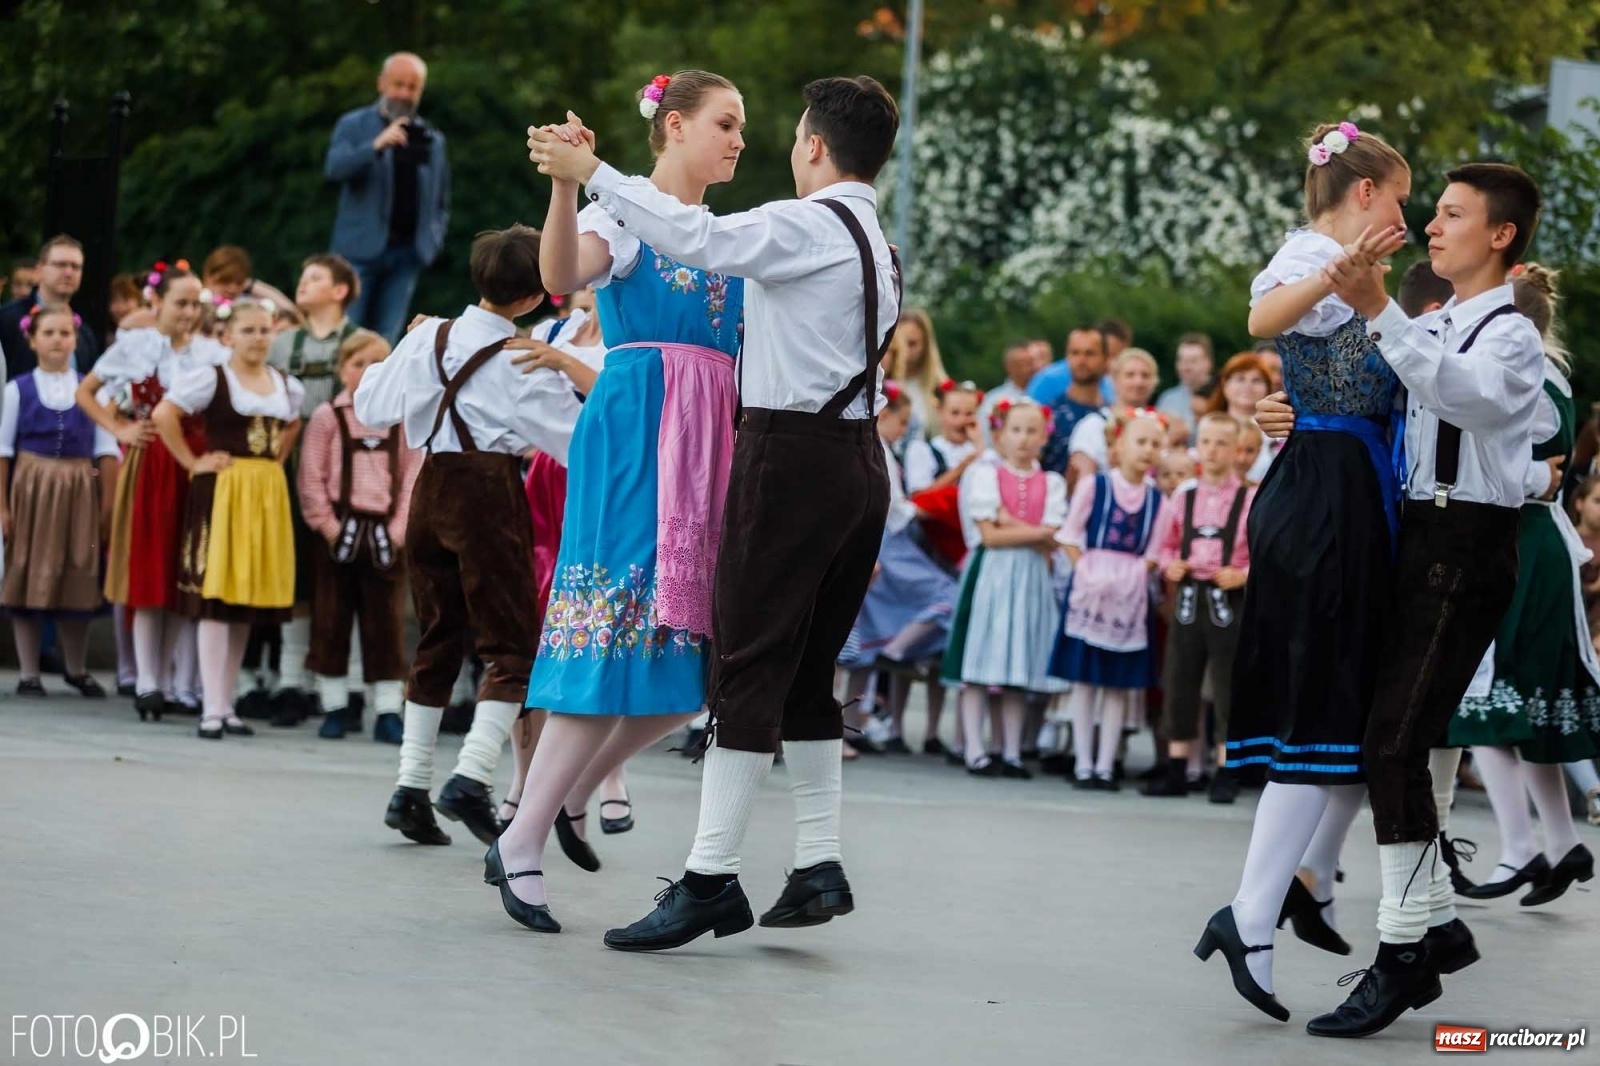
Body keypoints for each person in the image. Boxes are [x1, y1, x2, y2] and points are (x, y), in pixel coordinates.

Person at [525, 73, 902, 950]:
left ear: (814, 146)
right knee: (807, 670)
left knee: (748, 664)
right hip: (857, 459)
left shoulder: (805, 222)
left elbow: (697, 237)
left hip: (788, 457)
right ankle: (816, 861)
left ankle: (709, 879)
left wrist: (595, 169)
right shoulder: (875, 238)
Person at [486, 72, 747, 935]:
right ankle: (525, 834)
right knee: (610, 636)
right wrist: (567, 182)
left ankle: (554, 798)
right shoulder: (624, 214)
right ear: (673, 127)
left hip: (710, 439)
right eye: (726, 123)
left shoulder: (730, 233)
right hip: (641, 422)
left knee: (684, 676)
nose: (740, 139)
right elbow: (562, 272)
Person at [1302, 163, 1546, 1038]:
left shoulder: (1509, 332)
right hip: (1420, 536)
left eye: (1451, 215)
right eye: (1434, 213)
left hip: (1468, 543)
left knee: (1395, 745)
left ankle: (1405, 949)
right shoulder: (1436, 318)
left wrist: (1380, 312)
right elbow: (1385, 399)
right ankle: (1432, 921)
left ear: (1502, 235)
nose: (1431, 228)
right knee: (1401, 738)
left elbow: (1468, 398)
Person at [1195, 122, 1412, 1025]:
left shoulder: (1358, 274)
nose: (1409, 213)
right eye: (1401, 195)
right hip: (1325, 500)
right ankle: (1255, 909)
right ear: (1364, 192)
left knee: (1358, 714)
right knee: (1323, 712)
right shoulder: (1313, 256)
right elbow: (1261, 321)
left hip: (1349, 490)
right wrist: (1341, 276)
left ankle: (1307, 880)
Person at [355, 224, 581, 848]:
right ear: (537, 297)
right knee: (511, 648)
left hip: (428, 488)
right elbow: (574, 440)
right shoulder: (521, 358)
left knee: (436, 637)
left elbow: (372, 407)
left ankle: (409, 789)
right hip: (488, 493)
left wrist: (407, 351)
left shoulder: (428, 333)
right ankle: (471, 776)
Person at [1443, 265, 1595, 909]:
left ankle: (1525, 847)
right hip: (1527, 541)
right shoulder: (1549, 374)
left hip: (1522, 542)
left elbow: (1540, 475)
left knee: (1487, 706)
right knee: (1515, 709)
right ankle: (1555, 844)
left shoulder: (1526, 374)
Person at [77, 261, 226, 722]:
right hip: (151, 460)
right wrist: (119, 427)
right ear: (156, 302)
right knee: (148, 566)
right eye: (180, 303)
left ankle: (180, 683)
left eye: (194, 304)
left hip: (194, 461)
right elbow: (87, 392)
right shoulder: (135, 344)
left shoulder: (210, 351)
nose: (187, 312)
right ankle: (146, 681)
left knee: (185, 569)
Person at [153, 300, 303, 739]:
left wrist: (276, 461)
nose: (258, 338)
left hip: (264, 492)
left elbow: (292, 424)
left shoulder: (284, 385)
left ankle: (226, 703)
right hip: (226, 488)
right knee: (218, 598)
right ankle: (211, 707)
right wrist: (192, 461)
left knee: (245, 602)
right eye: (249, 330)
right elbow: (165, 414)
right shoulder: (212, 378)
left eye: (264, 330)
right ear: (228, 336)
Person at [297, 329, 421, 742]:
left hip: (387, 531)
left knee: (385, 622)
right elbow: (311, 479)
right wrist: (330, 528)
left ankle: (387, 707)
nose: (368, 371)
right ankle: (335, 705)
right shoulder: (327, 417)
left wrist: (399, 529)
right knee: (332, 619)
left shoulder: (401, 421)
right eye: (357, 363)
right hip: (338, 531)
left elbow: (411, 478)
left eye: (377, 364)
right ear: (341, 368)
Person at [940, 398, 1068, 776]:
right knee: (978, 664)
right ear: (1000, 434)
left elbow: (1054, 536)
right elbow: (989, 538)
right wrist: (1037, 532)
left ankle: (1010, 751)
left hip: (1030, 578)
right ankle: (976, 751)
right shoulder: (985, 475)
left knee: (1017, 667)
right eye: (1015, 430)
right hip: (993, 574)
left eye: (1032, 431)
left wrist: (1008, 522)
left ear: (1045, 437)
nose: (1024, 439)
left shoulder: (1052, 482)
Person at [265, 254, 364, 727]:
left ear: (341, 290)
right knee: (295, 578)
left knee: (347, 580)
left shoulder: (362, 345)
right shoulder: (282, 345)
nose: (303, 285)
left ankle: (354, 684)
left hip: (351, 479)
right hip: (289, 472)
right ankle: (290, 681)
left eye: (315, 278)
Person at [1, 305, 118, 697]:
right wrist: (2, 505)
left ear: (75, 339)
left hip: (79, 487)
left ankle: (76, 666)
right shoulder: (18, 389)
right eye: (48, 333)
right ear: (32, 340)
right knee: (30, 571)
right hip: (32, 488)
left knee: (78, 572)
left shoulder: (91, 389)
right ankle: (29, 671)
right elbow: (2, 451)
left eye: (65, 333)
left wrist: (106, 507)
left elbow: (106, 447)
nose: (57, 341)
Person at [837, 385, 957, 757]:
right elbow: (892, 507)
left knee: (862, 646)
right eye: (902, 421)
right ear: (884, 415)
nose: (904, 430)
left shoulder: (883, 448)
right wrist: (934, 508)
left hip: (883, 542)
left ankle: (849, 726)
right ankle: (897, 649)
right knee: (945, 594)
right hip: (883, 543)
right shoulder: (876, 449)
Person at [1048, 408, 1164, 788]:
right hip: (1091, 595)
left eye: (1155, 444)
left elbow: (1154, 554)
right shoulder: (1094, 486)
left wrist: (1129, 577)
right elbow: (1070, 536)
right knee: (1083, 683)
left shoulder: (1157, 501)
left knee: (1116, 686)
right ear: (1118, 445)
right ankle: (1083, 763)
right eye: (1140, 441)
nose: (1148, 450)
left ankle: (1105, 763)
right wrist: (1087, 571)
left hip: (1128, 602)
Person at [1142, 412, 1252, 802]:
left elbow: (1264, 552)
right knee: (1179, 678)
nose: (1214, 451)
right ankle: (1177, 767)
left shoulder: (1249, 498)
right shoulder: (1183, 497)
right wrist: (1171, 563)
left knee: (1227, 685)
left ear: (1238, 451)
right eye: (1207, 442)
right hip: (1189, 597)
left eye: (1223, 443)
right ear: (1197, 447)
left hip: (1227, 599)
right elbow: (1164, 544)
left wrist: (1243, 573)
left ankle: (1226, 770)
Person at [325, 52, 451, 343]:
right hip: (356, 254)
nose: (405, 94)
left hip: (407, 256)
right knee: (347, 340)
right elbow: (334, 168)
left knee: (385, 342)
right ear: (381, 83)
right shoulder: (354, 125)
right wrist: (375, 146)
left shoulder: (432, 138)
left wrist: (432, 240)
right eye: (399, 85)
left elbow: (441, 199)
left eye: (413, 87)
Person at [0, 235, 101, 378]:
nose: (68, 272)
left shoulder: (84, 333)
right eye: (61, 265)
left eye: (76, 267)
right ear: (39, 269)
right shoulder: (6, 320)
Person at [1065, 347, 1161, 478]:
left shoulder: (1159, 426)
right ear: (1114, 379)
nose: (1138, 382)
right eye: (1130, 375)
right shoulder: (1094, 425)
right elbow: (1082, 483)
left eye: (1145, 375)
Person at [1029, 327, 1108, 480]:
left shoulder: (1111, 416)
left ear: (1105, 359)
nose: (1081, 360)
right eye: (1075, 353)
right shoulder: (1048, 415)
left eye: (1089, 353)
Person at [1207, 353, 1276, 482]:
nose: (1248, 386)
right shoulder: (1207, 426)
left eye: (1256, 380)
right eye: (1240, 379)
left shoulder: (1277, 433)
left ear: (1268, 388)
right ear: (1224, 383)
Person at [884, 308, 948, 445]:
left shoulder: (940, 390)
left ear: (925, 346)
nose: (904, 350)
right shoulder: (881, 388)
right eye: (899, 343)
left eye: (912, 343)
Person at [975, 340, 1037, 448]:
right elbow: (985, 439)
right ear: (1008, 367)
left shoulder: (1045, 394)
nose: (1029, 368)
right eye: (1022, 364)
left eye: (1030, 363)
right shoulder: (992, 400)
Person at [1156, 332, 1214, 435]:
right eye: (1182, 360)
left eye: (1193, 361)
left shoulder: (1222, 395)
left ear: (1208, 362)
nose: (1186, 367)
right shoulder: (1167, 399)